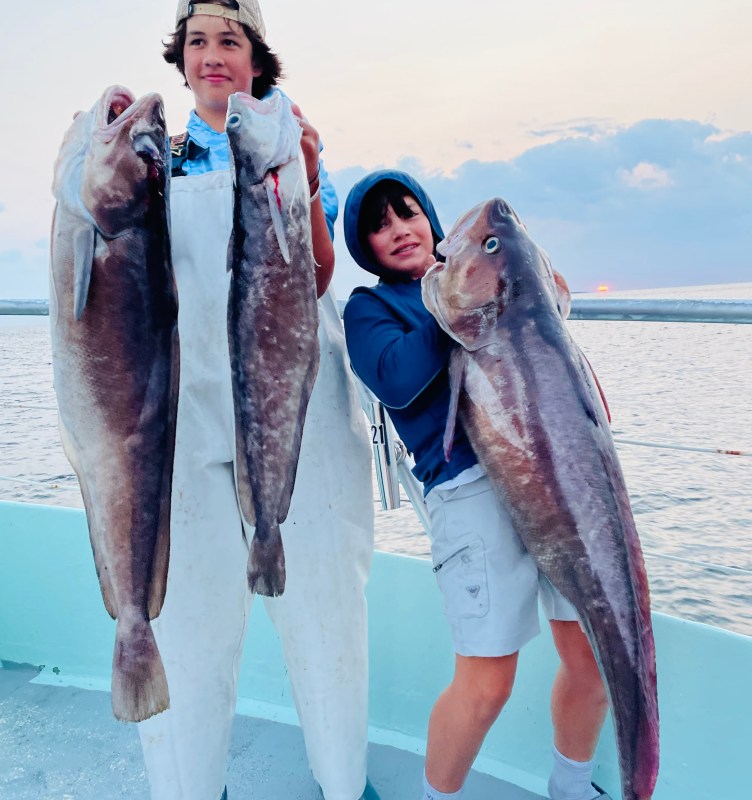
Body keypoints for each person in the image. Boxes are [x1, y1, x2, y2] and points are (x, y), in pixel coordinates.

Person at [136, 2, 378, 799]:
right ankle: (190, 785)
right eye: (197, 41)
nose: (212, 55)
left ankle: (343, 782)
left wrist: (302, 174)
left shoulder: (292, 140)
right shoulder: (156, 159)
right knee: (185, 617)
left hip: (295, 397)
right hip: (186, 407)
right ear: (181, 59)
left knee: (325, 607)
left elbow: (318, 272)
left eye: (229, 40)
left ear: (257, 58)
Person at [342, 170, 612, 800]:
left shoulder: (487, 283)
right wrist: (460, 298)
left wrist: (513, 279)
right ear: (365, 246)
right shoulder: (370, 308)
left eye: (408, 213)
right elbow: (396, 379)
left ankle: (572, 788)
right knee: (488, 684)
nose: (399, 230)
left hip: (556, 476)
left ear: (431, 219)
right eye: (379, 225)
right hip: (467, 490)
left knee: (591, 657)